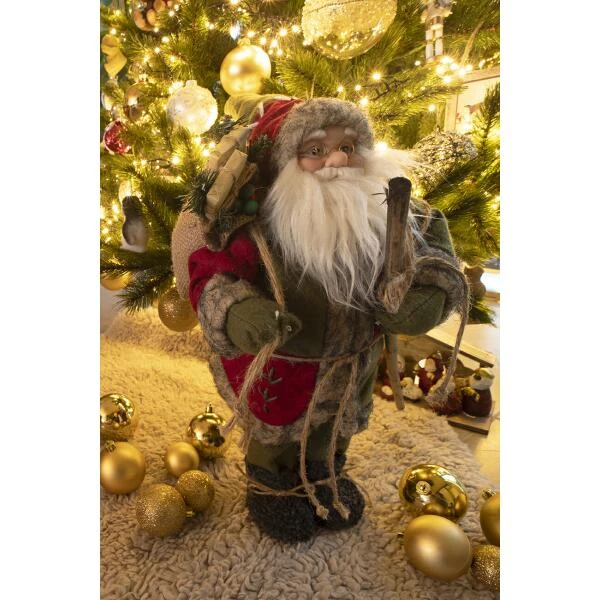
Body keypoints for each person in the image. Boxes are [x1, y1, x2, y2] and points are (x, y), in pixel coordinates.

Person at [172, 96, 466, 542]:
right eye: (316, 150)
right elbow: (213, 273)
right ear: (287, 162)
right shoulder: (261, 227)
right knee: (276, 433)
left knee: (335, 426)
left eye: (348, 147)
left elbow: (431, 253)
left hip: (351, 364)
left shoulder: (389, 212)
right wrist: (237, 312)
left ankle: (326, 474)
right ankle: (273, 485)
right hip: (283, 366)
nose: (338, 160)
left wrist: (428, 295)